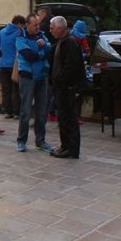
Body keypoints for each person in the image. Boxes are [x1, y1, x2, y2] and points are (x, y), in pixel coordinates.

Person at [15, 13, 53, 153]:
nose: (38, 27)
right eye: (35, 25)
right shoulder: (20, 38)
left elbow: (50, 50)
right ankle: (21, 141)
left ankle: (40, 141)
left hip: (42, 77)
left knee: (41, 111)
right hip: (27, 77)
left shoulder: (42, 36)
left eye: (38, 24)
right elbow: (29, 56)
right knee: (25, 111)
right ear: (27, 25)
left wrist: (44, 48)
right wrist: (42, 52)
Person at [48, 16, 84, 158]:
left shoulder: (70, 43)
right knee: (63, 118)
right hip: (60, 87)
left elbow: (70, 67)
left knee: (68, 118)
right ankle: (65, 146)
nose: (50, 30)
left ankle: (71, 148)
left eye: (52, 28)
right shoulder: (60, 42)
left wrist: (58, 80)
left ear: (60, 28)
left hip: (66, 87)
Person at [0, 15, 25, 119]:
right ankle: (16, 112)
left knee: (6, 89)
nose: (23, 27)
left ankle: (7, 111)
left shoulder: (2, 32)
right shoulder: (19, 33)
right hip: (15, 65)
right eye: (22, 25)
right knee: (16, 89)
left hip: (3, 64)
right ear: (19, 24)